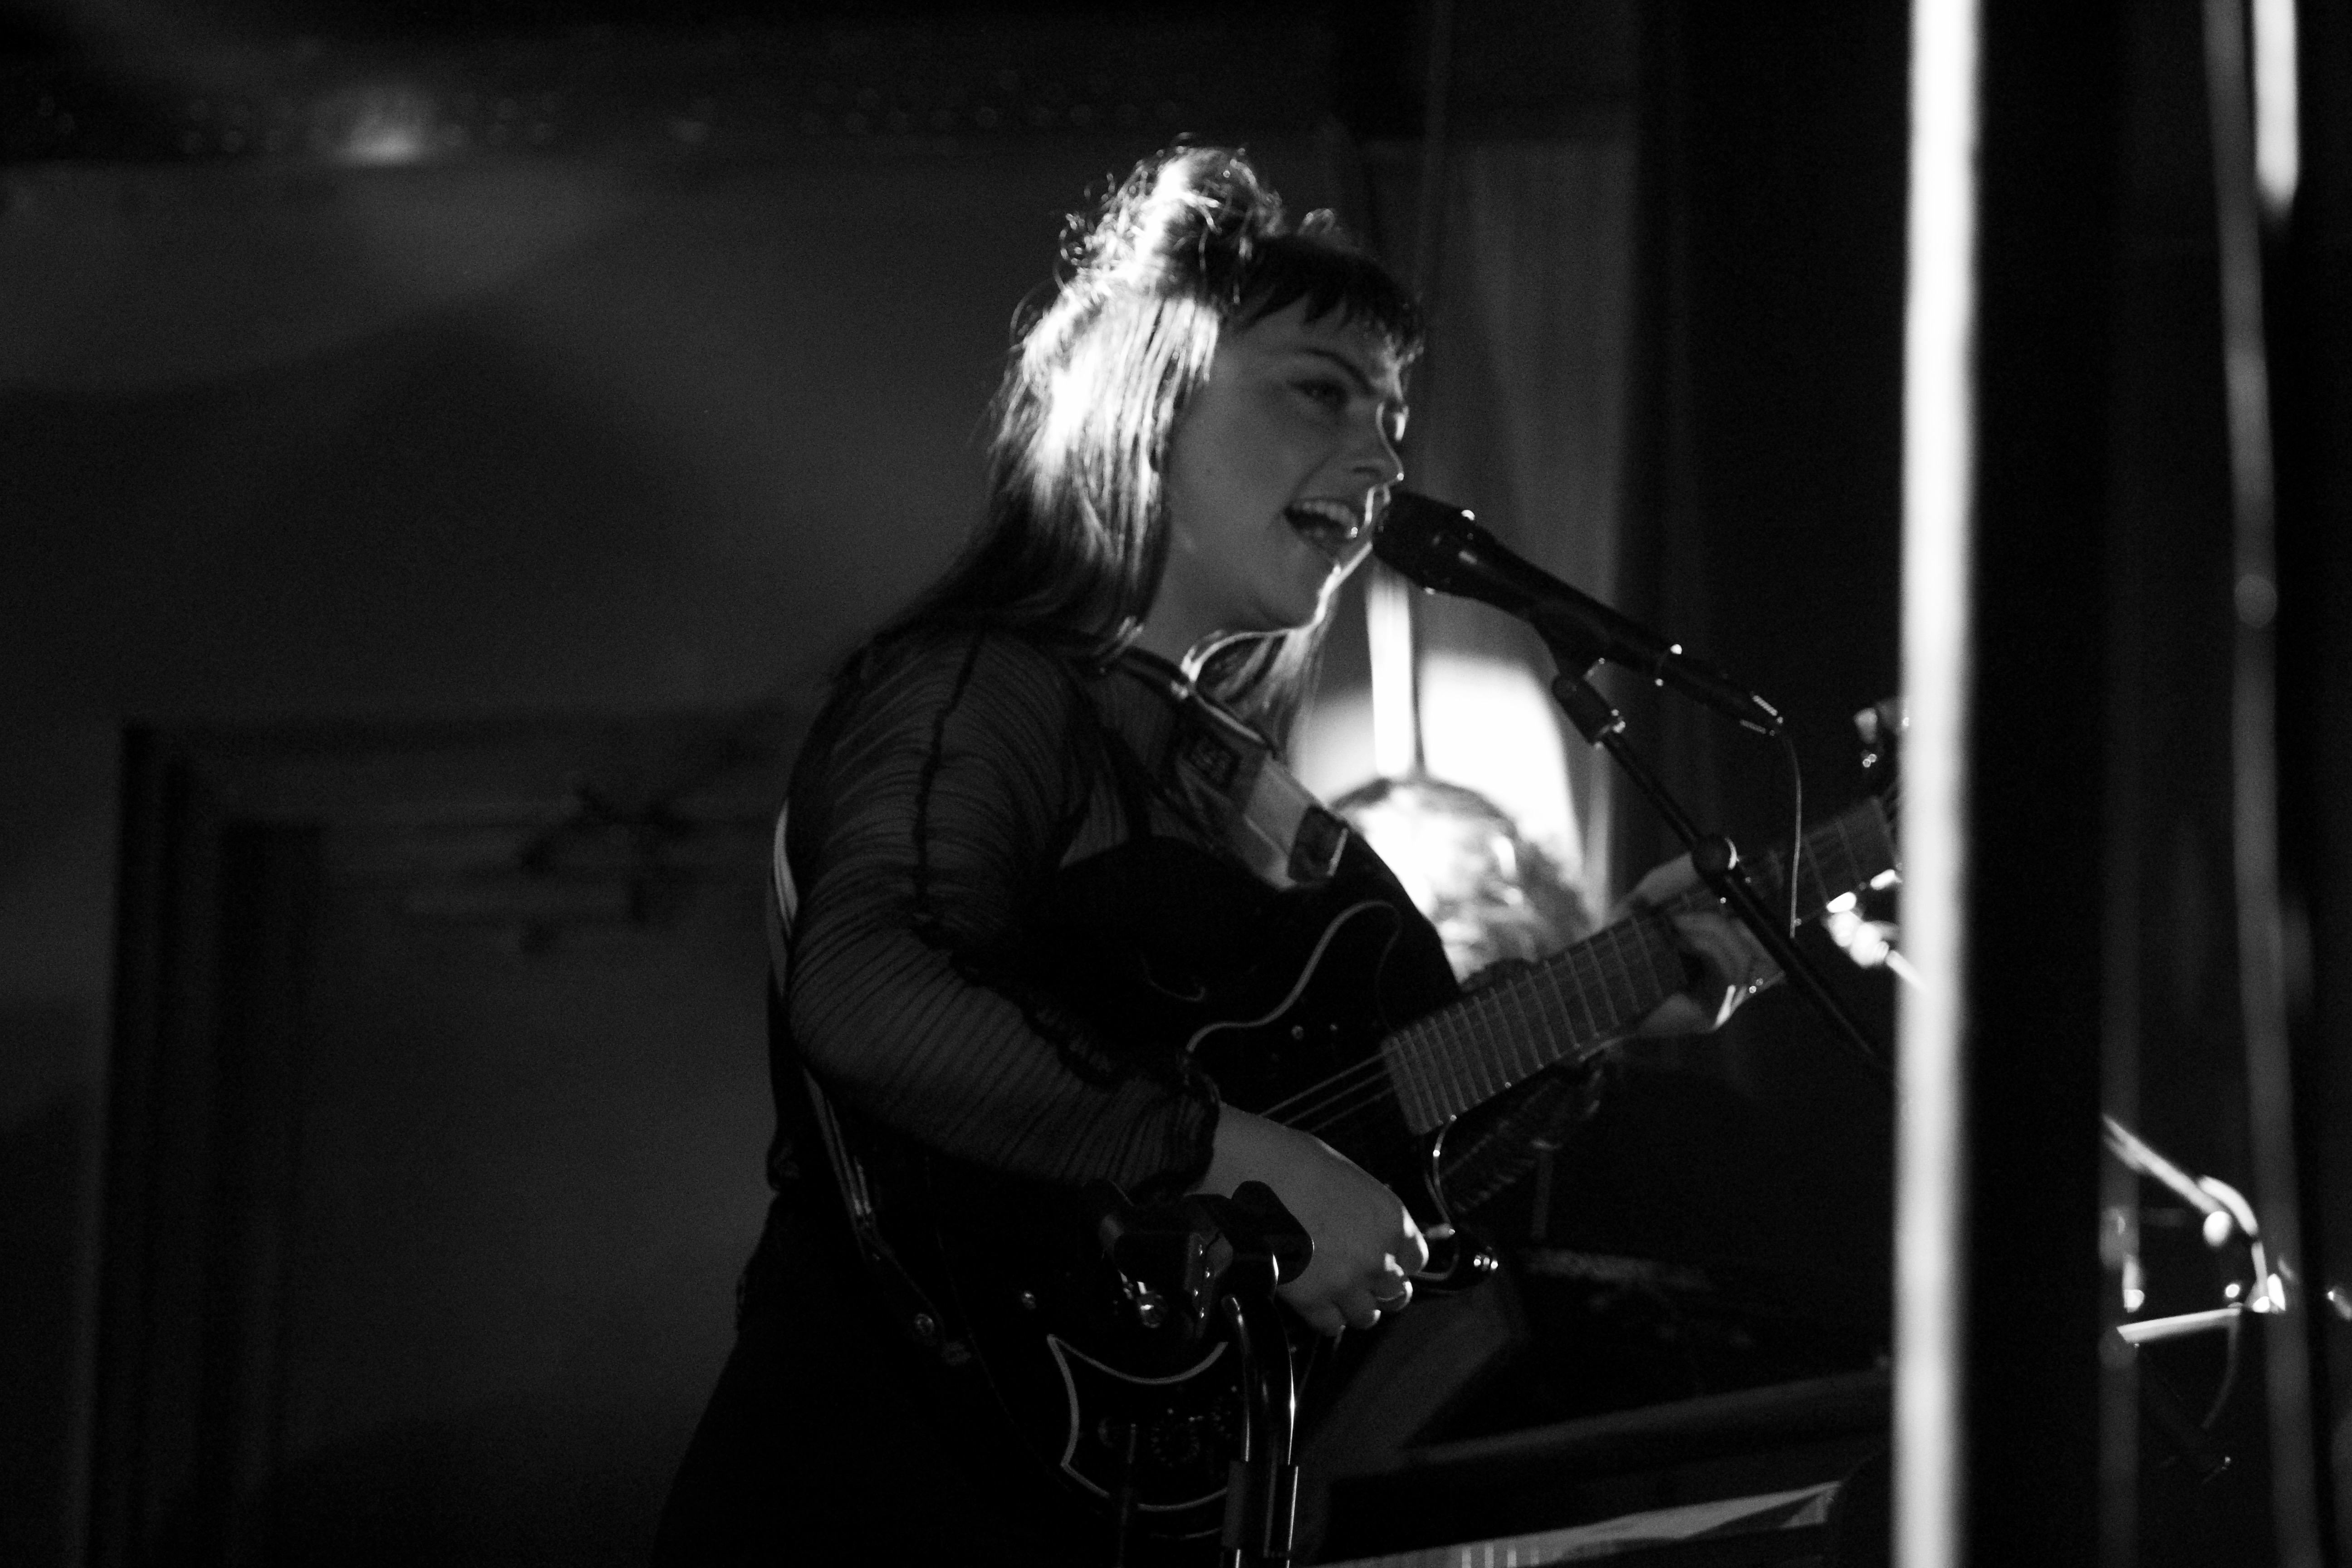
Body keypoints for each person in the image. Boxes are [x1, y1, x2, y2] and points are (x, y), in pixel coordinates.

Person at [653, 145, 1769, 1567]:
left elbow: (1374, 1110)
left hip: (1134, 1506)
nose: (1383, 462)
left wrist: (1641, 976)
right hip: (887, 1477)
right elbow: (868, 989)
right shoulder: (980, 689)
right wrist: (1231, 1155)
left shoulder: (1222, 773)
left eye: (1396, 417)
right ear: (1152, 397)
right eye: (1325, 391)